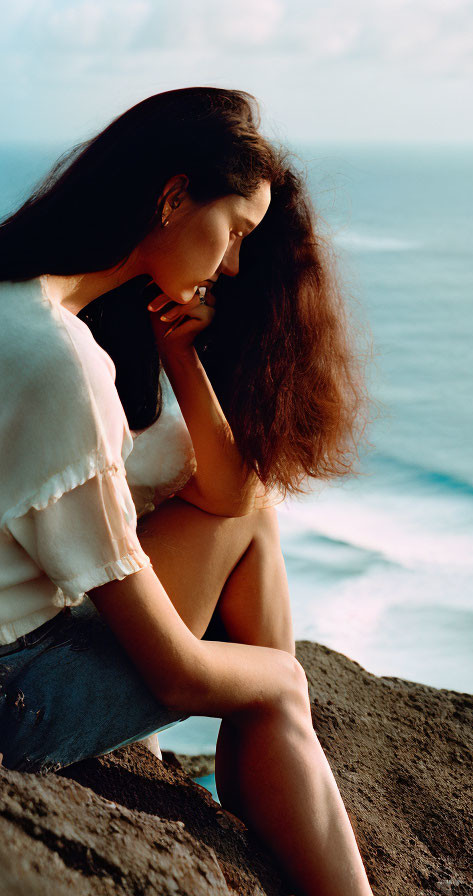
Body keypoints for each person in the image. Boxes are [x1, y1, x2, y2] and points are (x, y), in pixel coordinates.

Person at [0, 86, 375, 896]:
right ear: (174, 197)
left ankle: (272, 753)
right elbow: (172, 675)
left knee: (251, 530)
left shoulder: (17, 307)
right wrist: (276, 679)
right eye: (236, 230)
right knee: (278, 683)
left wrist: (181, 360)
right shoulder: (61, 364)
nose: (234, 263)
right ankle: (285, 776)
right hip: (15, 696)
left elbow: (232, 496)